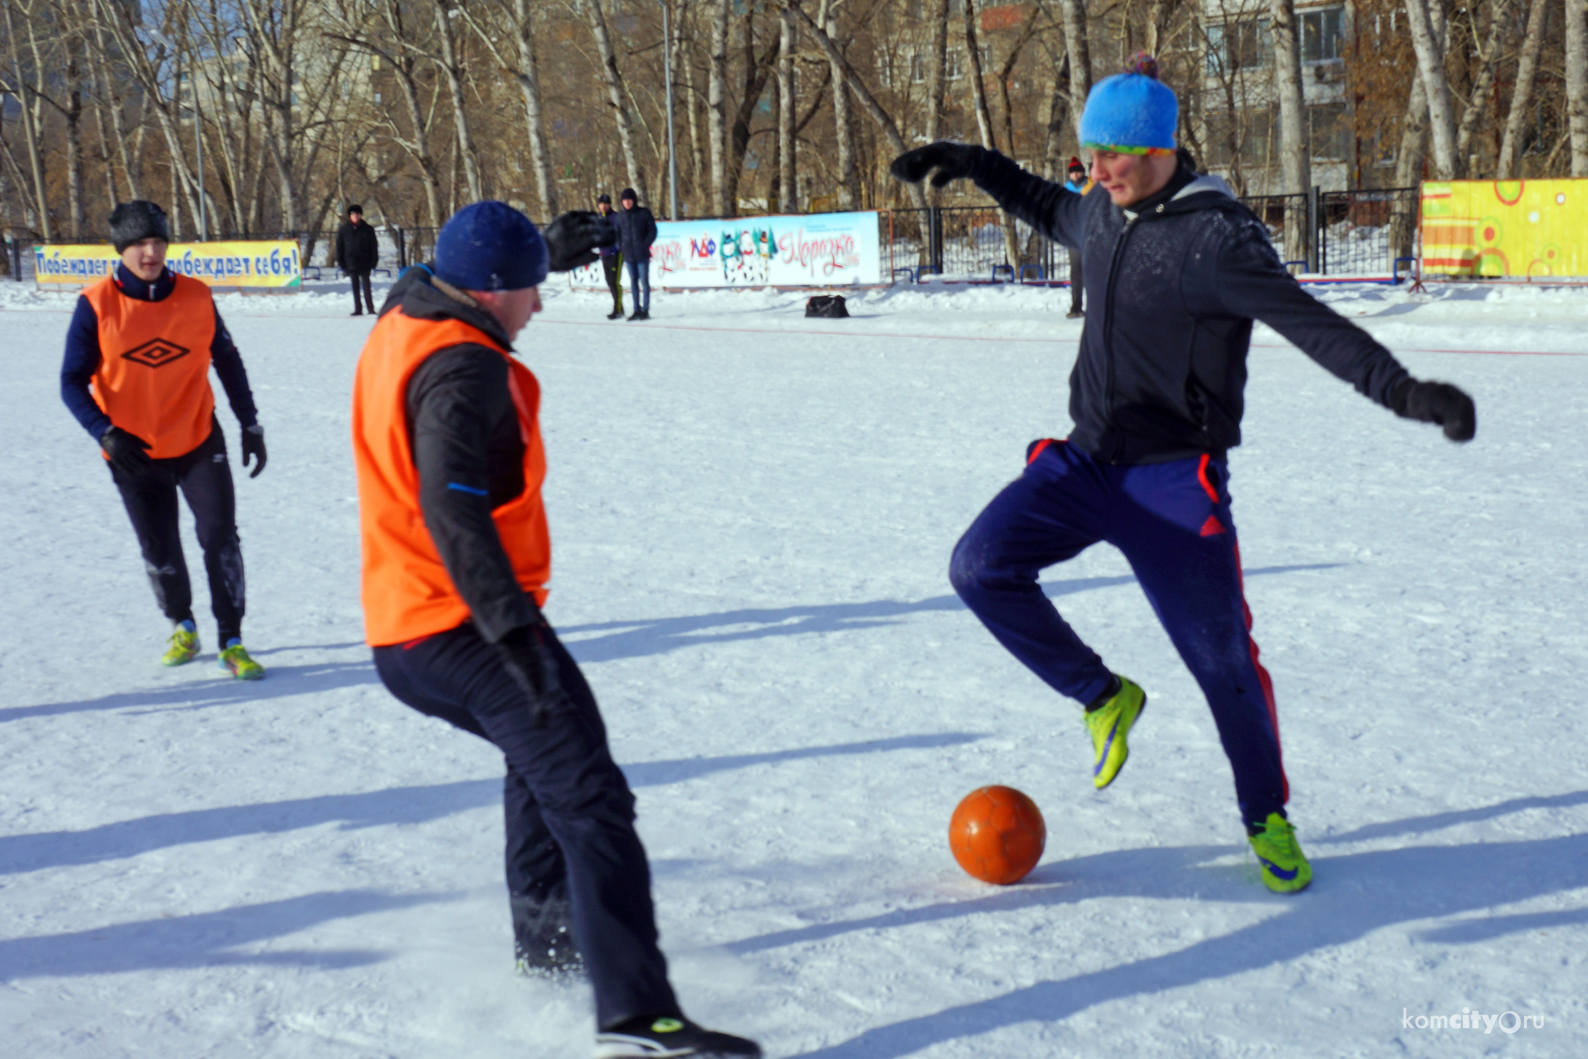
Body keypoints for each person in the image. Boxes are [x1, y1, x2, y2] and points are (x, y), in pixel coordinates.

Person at [891, 54, 1476, 895]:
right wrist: (973, 160)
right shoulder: (1101, 209)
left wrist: (1405, 392)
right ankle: (1103, 695)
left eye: (1113, 156)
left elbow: (1312, 326)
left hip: (1173, 486)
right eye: (1091, 155)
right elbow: (1045, 203)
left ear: (1161, 150)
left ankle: (1265, 815)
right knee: (979, 567)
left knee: (1223, 661)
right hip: (1086, 462)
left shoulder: (1218, 239)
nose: (1096, 172)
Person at [350, 201, 759, 1059]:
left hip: (403, 627)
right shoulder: (463, 372)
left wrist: (549, 250)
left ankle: (549, 949)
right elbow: (450, 502)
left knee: (540, 769)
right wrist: (508, 631)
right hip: (463, 624)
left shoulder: (412, 309)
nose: (539, 305)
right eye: (530, 288)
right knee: (590, 793)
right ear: (492, 292)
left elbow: (425, 272)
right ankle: (636, 1020)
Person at [60, 200, 269, 679]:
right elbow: (71, 381)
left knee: (220, 537)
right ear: (121, 249)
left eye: (157, 241)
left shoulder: (196, 296)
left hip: (197, 439)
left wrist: (249, 423)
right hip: (133, 453)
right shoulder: (95, 306)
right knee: (159, 547)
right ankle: (183, 625)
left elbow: (228, 362)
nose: (150, 252)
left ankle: (232, 639)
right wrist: (106, 433)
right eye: (138, 244)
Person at [611, 187, 657, 321]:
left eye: (629, 200)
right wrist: (621, 247)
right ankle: (636, 309)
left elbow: (652, 231)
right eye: (624, 201)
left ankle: (645, 310)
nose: (627, 203)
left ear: (634, 200)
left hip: (642, 254)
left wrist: (645, 244)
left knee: (644, 282)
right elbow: (616, 234)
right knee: (633, 283)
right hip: (629, 255)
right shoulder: (620, 216)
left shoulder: (644, 213)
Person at [336, 204, 380, 316]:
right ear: (349, 216)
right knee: (355, 288)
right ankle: (358, 309)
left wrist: (373, 261)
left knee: (366, 287)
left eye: (357, 214)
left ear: (360, 215)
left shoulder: (368, 229)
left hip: (365, 262)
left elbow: (373, 246)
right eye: (353, 214)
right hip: (351, 262)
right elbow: (340, 247)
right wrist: (341, 263)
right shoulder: (344, 230)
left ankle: (370, 308)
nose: (355, 216)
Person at [1062, 158, 1090, 319]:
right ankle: (1076, 306)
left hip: (1090, 233)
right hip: (1073, 235)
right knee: (1076, 272)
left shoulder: (1091, 186)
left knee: (1092, 271)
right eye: (1072, 172)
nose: (1075, 174)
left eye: (1077, 170)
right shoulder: (1067, 189)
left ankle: (1095, 306)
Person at [595, 193, 624, 320]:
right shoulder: (598, 218)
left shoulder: (616, 217)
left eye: (606, 204)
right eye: (601, 204)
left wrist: (616, 248)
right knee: (609, 281)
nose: (603, 206)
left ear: (610, 205)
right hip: (605, 254)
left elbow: (621, 234)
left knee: (614, 282)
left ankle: (617, 310)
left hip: (615, 254)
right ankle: (620, 307)